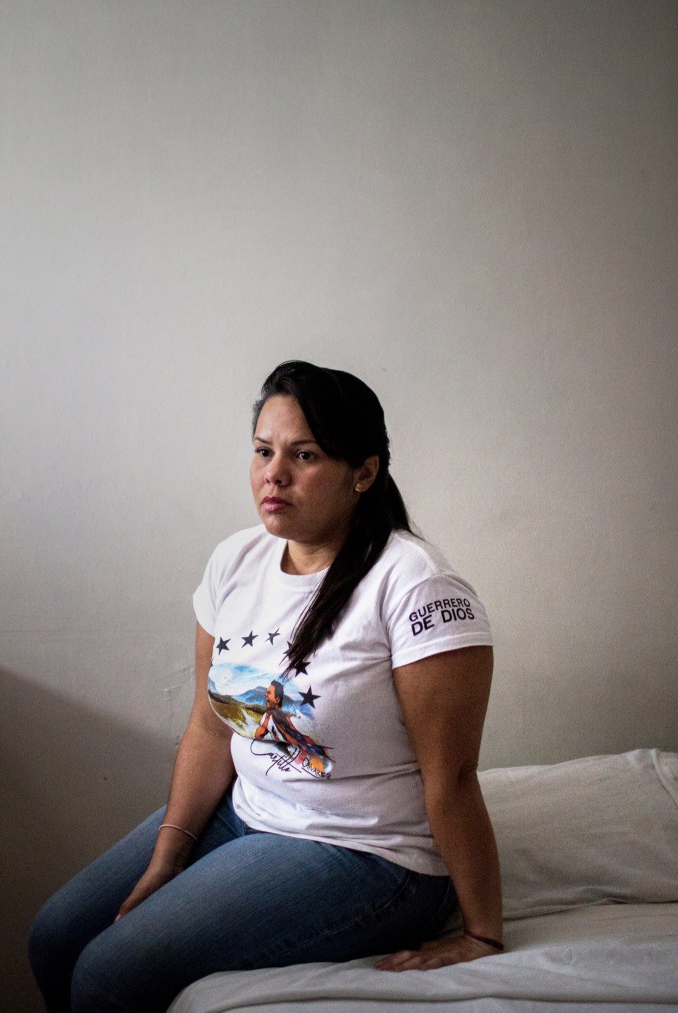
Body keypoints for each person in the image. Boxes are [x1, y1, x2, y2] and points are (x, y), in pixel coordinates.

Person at [29, 361, 502, 1013]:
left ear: (364, 473)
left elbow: (451, 776)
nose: (273, 474)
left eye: (304, 455)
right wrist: (169, 854)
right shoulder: (235, 561)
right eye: (263, 451)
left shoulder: (416, 586)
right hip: (246, 811)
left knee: (109, 975)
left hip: (365, 851)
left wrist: (482, 932)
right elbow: (210, 725)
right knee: (54, 938)